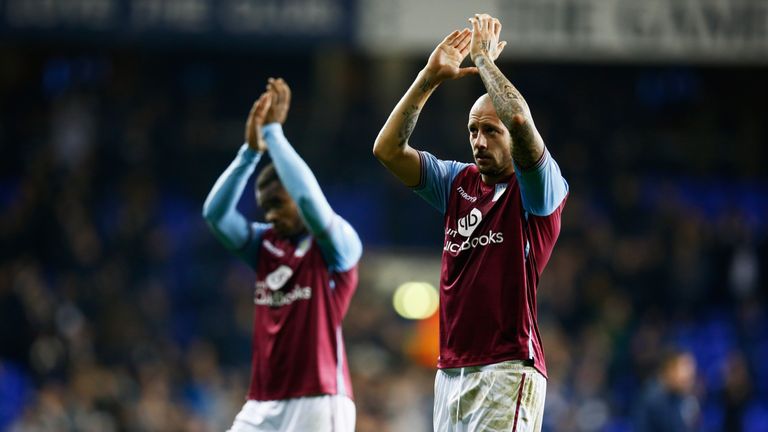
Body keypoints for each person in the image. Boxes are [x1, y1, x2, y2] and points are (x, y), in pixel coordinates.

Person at [373, 14, 568, 432]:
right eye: (473, 131)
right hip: (450, 371)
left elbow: (518, 118)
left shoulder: (540, 189)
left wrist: (482, 61)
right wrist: (428, 78)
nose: (479, 141)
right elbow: (387, 150)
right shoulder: (456, 182)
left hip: (508, 368)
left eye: (490, 132)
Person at [203, 78, 361, 432]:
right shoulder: (265, 245)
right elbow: (215, 215)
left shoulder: (339, 244)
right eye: (265, 208)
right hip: (261, 402)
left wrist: (274, 133)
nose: (270, 215)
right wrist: (250, 153)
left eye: (277, 204)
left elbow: (309, 203)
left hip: (319, 399)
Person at [633, 349, 700, 432]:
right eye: (685, 368)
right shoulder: (651, 398)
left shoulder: (686, 398)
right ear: (670, 370)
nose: (690, 375)